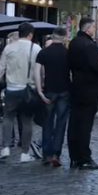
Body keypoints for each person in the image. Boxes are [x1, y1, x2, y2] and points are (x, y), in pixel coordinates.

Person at [0, 22, 40, 163]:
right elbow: (40, 70)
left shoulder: (9, 47)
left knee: (8, 118)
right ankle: (25, 153)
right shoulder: (36, 48)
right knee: (26, 121)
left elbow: (1, 68)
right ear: (30, 34)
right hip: (28, 89)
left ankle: (5, 147)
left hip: (11, 88)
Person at [68, 17, 98, 169]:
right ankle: (84, 157)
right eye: (93, 27)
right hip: (89, 88)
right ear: (87, 29)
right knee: (85, 125)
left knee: (74, 123)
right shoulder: (89, 45)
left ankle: (74, 156)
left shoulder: (73, 42)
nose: (94, 30)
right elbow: (96, 66)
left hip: (76, 87)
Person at [35, 27, 70, 168]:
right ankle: (56, 153)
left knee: (47, 123)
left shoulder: (44, 52)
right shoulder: (68, 53)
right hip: (64, 91)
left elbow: (37, 72)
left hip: (49, 91)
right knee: (61, 123)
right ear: (64, 38)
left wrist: (39, 90)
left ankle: (46, 154)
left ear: (52, 36)